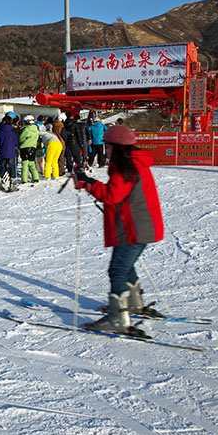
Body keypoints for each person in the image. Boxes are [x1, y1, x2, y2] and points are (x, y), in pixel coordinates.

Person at [74, 124, 164, 335]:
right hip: (139, 225)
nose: (106, 150)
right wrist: (90, 182)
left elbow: (112, 195)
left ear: (117, 147)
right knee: (127, 266)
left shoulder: (125, 166)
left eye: (108, 146)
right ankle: (133, 304)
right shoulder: (135, 162)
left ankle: (118, 318)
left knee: (117, 270)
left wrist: (88, 184)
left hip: (134, 227)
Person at [0, 114, 19, 191]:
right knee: (12, 167)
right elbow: (16, 142)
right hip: (11, 152)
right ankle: (12, 184)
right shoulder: (12, 132)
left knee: (2, 166)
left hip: (2, 151)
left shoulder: (0, 131)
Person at [19, 115, 40, 183]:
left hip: (24, 148)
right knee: (32, 164)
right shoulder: (36, 130)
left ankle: (24, 179)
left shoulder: (26, 129)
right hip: (33, 148)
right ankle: (35, 178)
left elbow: (21, 138)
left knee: (24, 164)